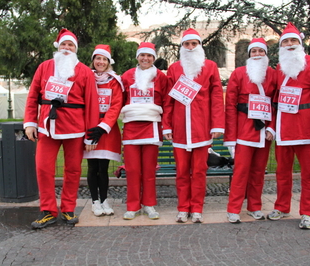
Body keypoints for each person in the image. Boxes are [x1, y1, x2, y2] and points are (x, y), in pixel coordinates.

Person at [24, 29, 100, 229]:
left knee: (73, 170)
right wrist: (30, 122)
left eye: (71, 45)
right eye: (64, 45)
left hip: (75, 128)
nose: (67, 48)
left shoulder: (84, 71)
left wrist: (91, 136)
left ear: (75, 49)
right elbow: (33, 97)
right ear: (58, 46)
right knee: (43, 168)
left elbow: (92, 103)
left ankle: (68, 208)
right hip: (47, 126)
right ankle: (48, 211)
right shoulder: (44, 67)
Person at [267, 22, 310, 229]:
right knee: (282, 173)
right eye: (286, 41)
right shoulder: (279, 68)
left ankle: (307, 212)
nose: (290, 44)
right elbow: (275, 100)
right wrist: (272, 126)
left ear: (301, 43)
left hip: (306, 129)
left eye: (294, 40)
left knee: (309, 174)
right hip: (284, 129)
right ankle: (282, 206)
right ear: (281, 46)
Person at [163, 28, 225, 223]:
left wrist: (217, 125)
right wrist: (167, 126)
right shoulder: (174, 69)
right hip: (180, 129)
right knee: (181, 172)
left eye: (193, 44)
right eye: (186, 44)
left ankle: (196, 208)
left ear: (199, 45)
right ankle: (183, 208)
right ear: (182, 47)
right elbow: (168, 100)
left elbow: (216, 97)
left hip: (201, 128)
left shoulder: (210, 67)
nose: (190, 48)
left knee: (199, 171)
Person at [224, 38, 277, 223]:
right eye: (253, 52)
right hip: (244, 131)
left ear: (265, 54)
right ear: (248, 54)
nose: (257, 55)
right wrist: (231, 137)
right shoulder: (239, 73)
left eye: (260, 51)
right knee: (241, 172)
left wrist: (272, 127)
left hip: (264, 132)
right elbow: (230, 106)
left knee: (258, 172)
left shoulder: (273, 74)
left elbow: (276, 104)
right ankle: (233, 209)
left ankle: (255, 206)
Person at [120, 42, 168, 220]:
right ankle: (132, 206)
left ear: (153, 58)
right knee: (132, 170)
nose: (145, 59)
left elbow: (167, 102)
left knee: (148, 170)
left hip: (152, 127)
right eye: (142, 55)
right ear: (137, 57)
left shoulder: (161, 78)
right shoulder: (126, 76)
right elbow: (120, 99)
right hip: (131, 127)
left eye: (149, 56)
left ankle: (149, 204)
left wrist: (166, 125)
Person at [83, 44, 124, 217]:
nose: (101, 62)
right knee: (92, 167)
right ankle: (94, 201)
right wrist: (91, 127)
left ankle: (104, 199)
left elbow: (115, 106)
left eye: (104, 59)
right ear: (93, 60)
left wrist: (103, 127)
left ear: (109, 62)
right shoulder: (85, 77)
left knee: (103, 167)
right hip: (89, 127)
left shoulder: (115, 81)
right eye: (98, 58)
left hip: (107, 130)